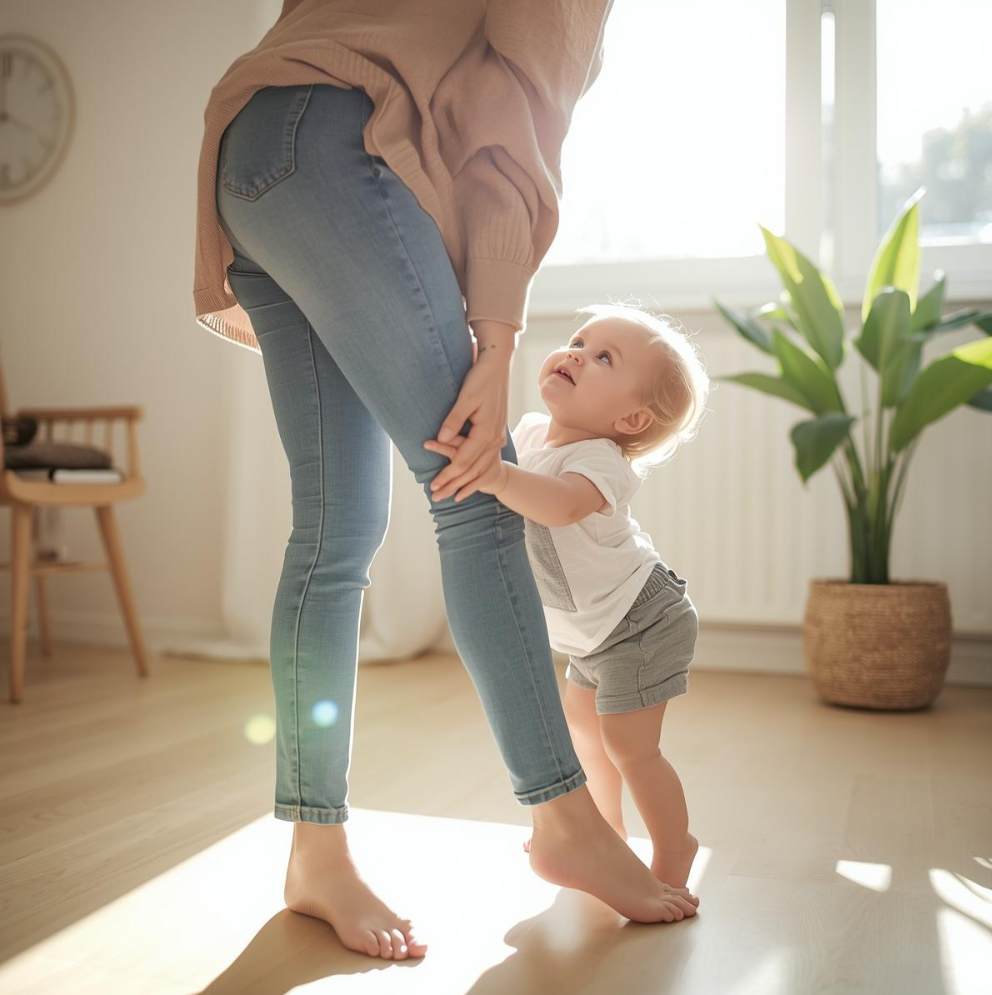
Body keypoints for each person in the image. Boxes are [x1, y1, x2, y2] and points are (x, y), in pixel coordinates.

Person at [193, 0, 699, 963]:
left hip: (250, 153)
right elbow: (509, 125)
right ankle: (566, 818)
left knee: (333, 532)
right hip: (340, 142)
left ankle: (316, 853)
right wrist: (499, 333)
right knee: (473, 490)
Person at [424, 303, 710, 890]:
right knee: (585, 732)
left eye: (604, 357)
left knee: (630, 747)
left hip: (643, 621)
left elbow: (560, 505)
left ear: (631, 421)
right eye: (579, 341)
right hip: (594, 633)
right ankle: (601, 832)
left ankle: (675, 845)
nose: (576, 353)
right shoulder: (529, 431)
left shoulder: (601, 461)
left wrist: (497, 476)